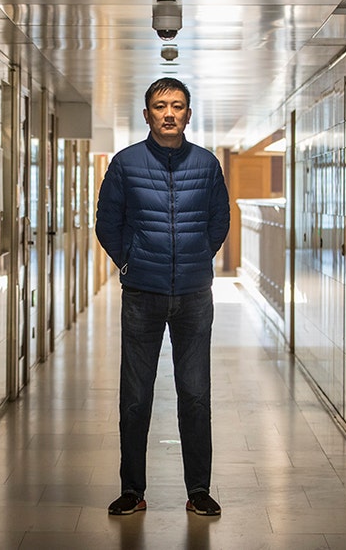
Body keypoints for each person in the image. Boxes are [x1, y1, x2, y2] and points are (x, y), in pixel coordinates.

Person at [95, 77, 230, 517]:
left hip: (194, 297)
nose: (168, 113)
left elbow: (219, 221)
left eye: (177, 105)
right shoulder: (125, 164)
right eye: (160, 106)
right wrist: (130, 263)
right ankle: (132, 490)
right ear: (147, 114)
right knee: (135, 398)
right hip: (142, 294)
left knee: (195, 395)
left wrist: (193, 260)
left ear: (189, 114)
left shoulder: (208, 165)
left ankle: (199, 490)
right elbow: (107, 223)